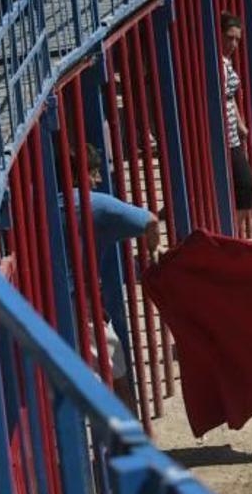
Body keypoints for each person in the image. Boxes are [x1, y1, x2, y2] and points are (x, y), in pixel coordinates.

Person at [65, 143, 160, 412]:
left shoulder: (37, 201)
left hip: (37, 305)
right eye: (93, 173)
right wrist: (153, 251)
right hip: (79, 306)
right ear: (76, 176)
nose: (97, 180)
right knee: (115, 373)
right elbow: (151, 221)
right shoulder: (95, 205)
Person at [219, 12, 252, 236]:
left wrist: (240, 123)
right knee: (245, 184)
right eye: (229, 38)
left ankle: (233, 230)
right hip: (223, 136)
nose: (233, 44)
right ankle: (232, 233)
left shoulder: (226, 61)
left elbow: (229, 96)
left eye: (237, 39)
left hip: (232, 133)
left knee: (241, 185)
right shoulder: (219, 63)